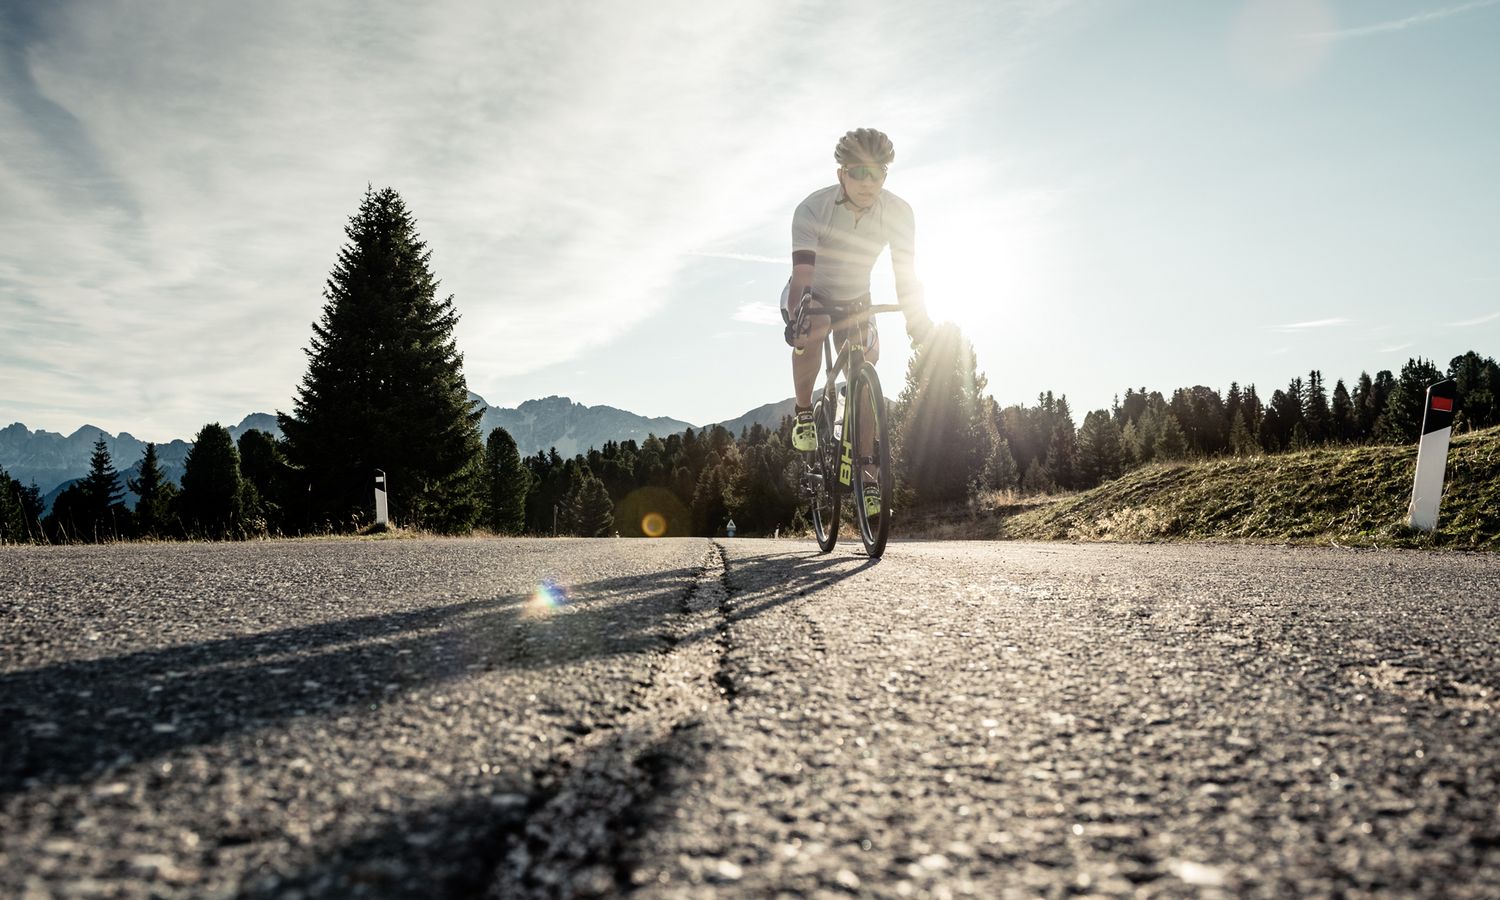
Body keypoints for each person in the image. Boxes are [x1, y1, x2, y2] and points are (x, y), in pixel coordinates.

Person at [781, 128, 932, 516]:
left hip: (856, 301)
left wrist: (920, 324)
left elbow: (905, 277)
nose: (868, 182)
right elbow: (801, 277)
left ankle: (866, 473)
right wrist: (799, 314)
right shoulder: (812, 210)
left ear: (885, 175)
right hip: (813, 293)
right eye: (858, 172)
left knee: (867, 366)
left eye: (877, 173)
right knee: (812, 327)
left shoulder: (898, 212)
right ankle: (803, 414)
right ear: (841, 174)